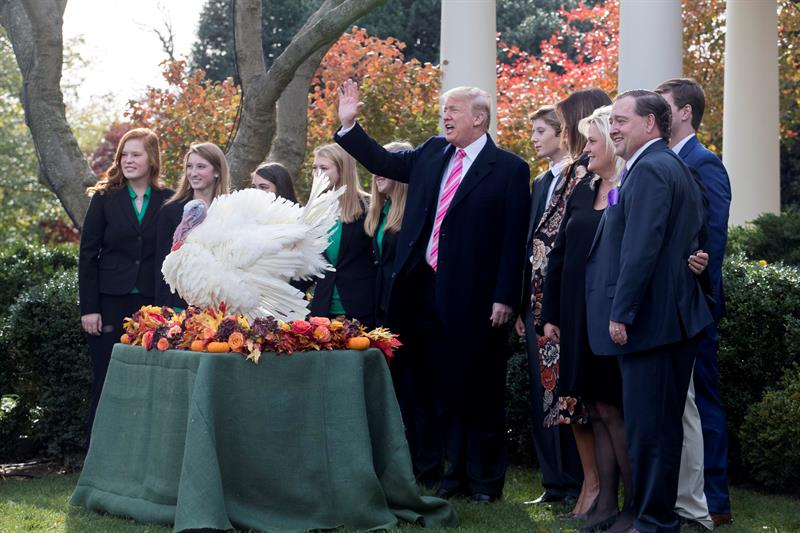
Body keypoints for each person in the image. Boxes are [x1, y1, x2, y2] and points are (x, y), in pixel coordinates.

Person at [335, 79, 530, 502]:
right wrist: (350, 126)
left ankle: (484, 483)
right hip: (422, 293)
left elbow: (514, 241)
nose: (445, 116)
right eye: (445, 109)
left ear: (478, 118)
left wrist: (505, 296)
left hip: (477, 299)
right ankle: (450, 476)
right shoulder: (432, 152)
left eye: (453, 110)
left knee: (477, 392)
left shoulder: (510, 169)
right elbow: (382, 160)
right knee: (436, 390)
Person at [585, 90, 713, 532]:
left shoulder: (654, 169)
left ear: (650, 125)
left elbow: (642, 249)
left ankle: (655, 522)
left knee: (652, 433)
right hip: (661, 322)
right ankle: (652, 518)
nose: (614, 127)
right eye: (613, 121)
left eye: (622, 120)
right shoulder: (656, 166)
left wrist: (622, 312)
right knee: (652, 430)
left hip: (655, 324)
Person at [542, 105, 633, 531]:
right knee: (594, 409)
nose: (585, 150)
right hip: (577, 316)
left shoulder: (632, 186)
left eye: (592, 142)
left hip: (611, 315)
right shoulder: (583, 189)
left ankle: (634, 506)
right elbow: (558, 255)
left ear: (613, 145)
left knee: (614, 409)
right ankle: (605, 506)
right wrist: (551, 314)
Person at [528, 89, 612, 517]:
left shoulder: (590, 173)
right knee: (565, 399)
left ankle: (594, 488)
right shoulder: (572, 173)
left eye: (563, 123)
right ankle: (582, 485)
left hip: (579, 300)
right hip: (552, 298)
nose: (562, 132)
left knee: (587, 401)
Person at [656, 77, 733, 528]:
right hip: (667, 308)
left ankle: (715, 500)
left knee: (703, 401)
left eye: (664, 107)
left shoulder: (705, 163)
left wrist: (697, 296)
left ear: (685, 112)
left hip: (695, 306)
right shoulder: (660, 160)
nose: (660, 114)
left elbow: (714, 238)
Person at [79, 127, 172, 433]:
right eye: (124, 155)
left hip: (151, 302)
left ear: (152, 158)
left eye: (136, 154)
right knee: (107, 376)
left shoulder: (169, 200)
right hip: (109, 302)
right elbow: (88, 255)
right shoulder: (105, 198)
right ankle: (97, 453)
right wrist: (89, 308)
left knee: (149, 378)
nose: (128, 160)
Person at [515, 105, 582, 507]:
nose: (535, 138)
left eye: (542, 131)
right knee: (541, 391)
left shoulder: (578, 177)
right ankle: (552, 482)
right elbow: (530, 245)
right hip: (534, 304)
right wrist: (524, 304)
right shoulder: (540, 181)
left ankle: (575, 483)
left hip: (560, 302)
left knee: (564, 393)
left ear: (561, 132)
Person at [153, 142, 231, 310]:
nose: (193, 173)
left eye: (201, 167)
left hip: (223, 305)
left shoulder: (231, 210)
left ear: (217, 171)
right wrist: (163, 310)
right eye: (189, 167)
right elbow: (162, 265)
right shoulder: (171, 211)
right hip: (180, 306)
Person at [308, 143, 376, 326]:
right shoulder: (314, 210)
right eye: (314, 168)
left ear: (342, 170)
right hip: (323, 310)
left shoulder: (369, 206)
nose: (317, 173)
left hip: (360, 308)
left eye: (324, 167)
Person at [363, 141, 411, 327]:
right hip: (381, 308)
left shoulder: (415, 213)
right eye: (375, 168)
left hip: (406, 311)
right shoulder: (381, 212)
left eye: (383, 167)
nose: (377, 174)